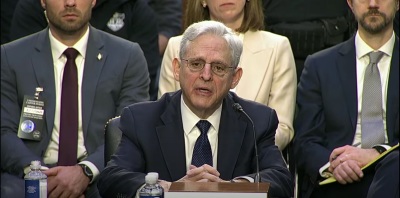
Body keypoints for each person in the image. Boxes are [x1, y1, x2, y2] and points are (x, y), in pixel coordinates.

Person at [97, 20, 293, 198]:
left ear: (235, 77)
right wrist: (171, 189)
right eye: (196, 64)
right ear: (177, 69)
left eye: (218, 67)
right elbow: (112, 179)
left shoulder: (256, 120)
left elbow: (281, 180)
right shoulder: (141, 119)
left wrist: (230, 189)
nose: (206, 75)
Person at [0, 0, 150, 197]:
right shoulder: (10, 57)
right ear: (43, 1)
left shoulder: (128, 56)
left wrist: (85, 171)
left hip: (100, 175)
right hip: (29, 176)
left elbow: (130, 130)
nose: (70, 2)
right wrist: (42, 176)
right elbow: (4, 131)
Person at [158, 0, 297, 151]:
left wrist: (237, 156)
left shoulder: (277, 47)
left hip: (251, 163)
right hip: (186, 161)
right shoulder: (176, 46)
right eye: (197, 64)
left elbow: (282, 128)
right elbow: (166, 119)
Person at [294, 0, 399, 197]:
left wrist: (378, 153)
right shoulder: (319, 66)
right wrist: (333, 164)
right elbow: (305, 141)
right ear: (350, 3)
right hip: (338, 181)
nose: (373, 4)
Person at [9, 0, 160, 100]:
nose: (70, 3)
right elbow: (6, 128)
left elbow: (130, 123)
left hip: (106, 147)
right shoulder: (9, 55)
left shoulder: (131, 50)